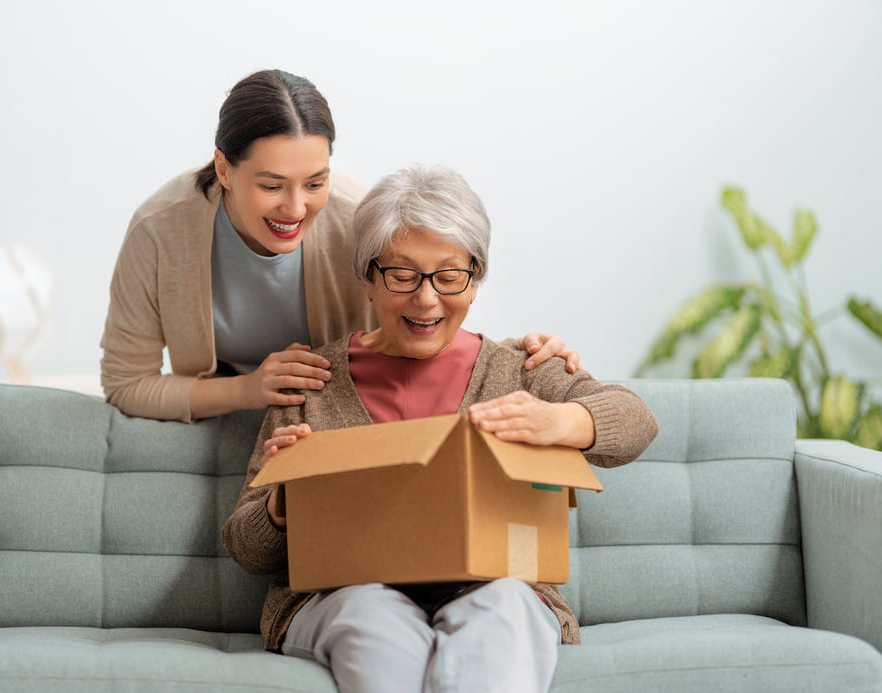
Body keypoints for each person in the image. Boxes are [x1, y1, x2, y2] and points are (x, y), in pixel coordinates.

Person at [221, 164, 659, 692]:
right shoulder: (310, 382)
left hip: (499, 586)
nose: (426, 299)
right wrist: (283, 497)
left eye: (449, 276)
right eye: (402, 275)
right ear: (367, 277)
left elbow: (638, 421)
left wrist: (559, 419)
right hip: (343, 594)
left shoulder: (521, 370)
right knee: (372, 620)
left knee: (505, 610)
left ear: (476, 277)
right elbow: (247, 549)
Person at [100, 69, 579, 422]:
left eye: (315, 182)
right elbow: (126, 383)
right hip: (227, 415)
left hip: (333, 421)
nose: (295, 208)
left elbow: (417, 321)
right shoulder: (159, 230)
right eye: (271, 186)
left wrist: (517, 357)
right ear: (224, 169)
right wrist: (248, 390)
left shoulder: (356, 217)